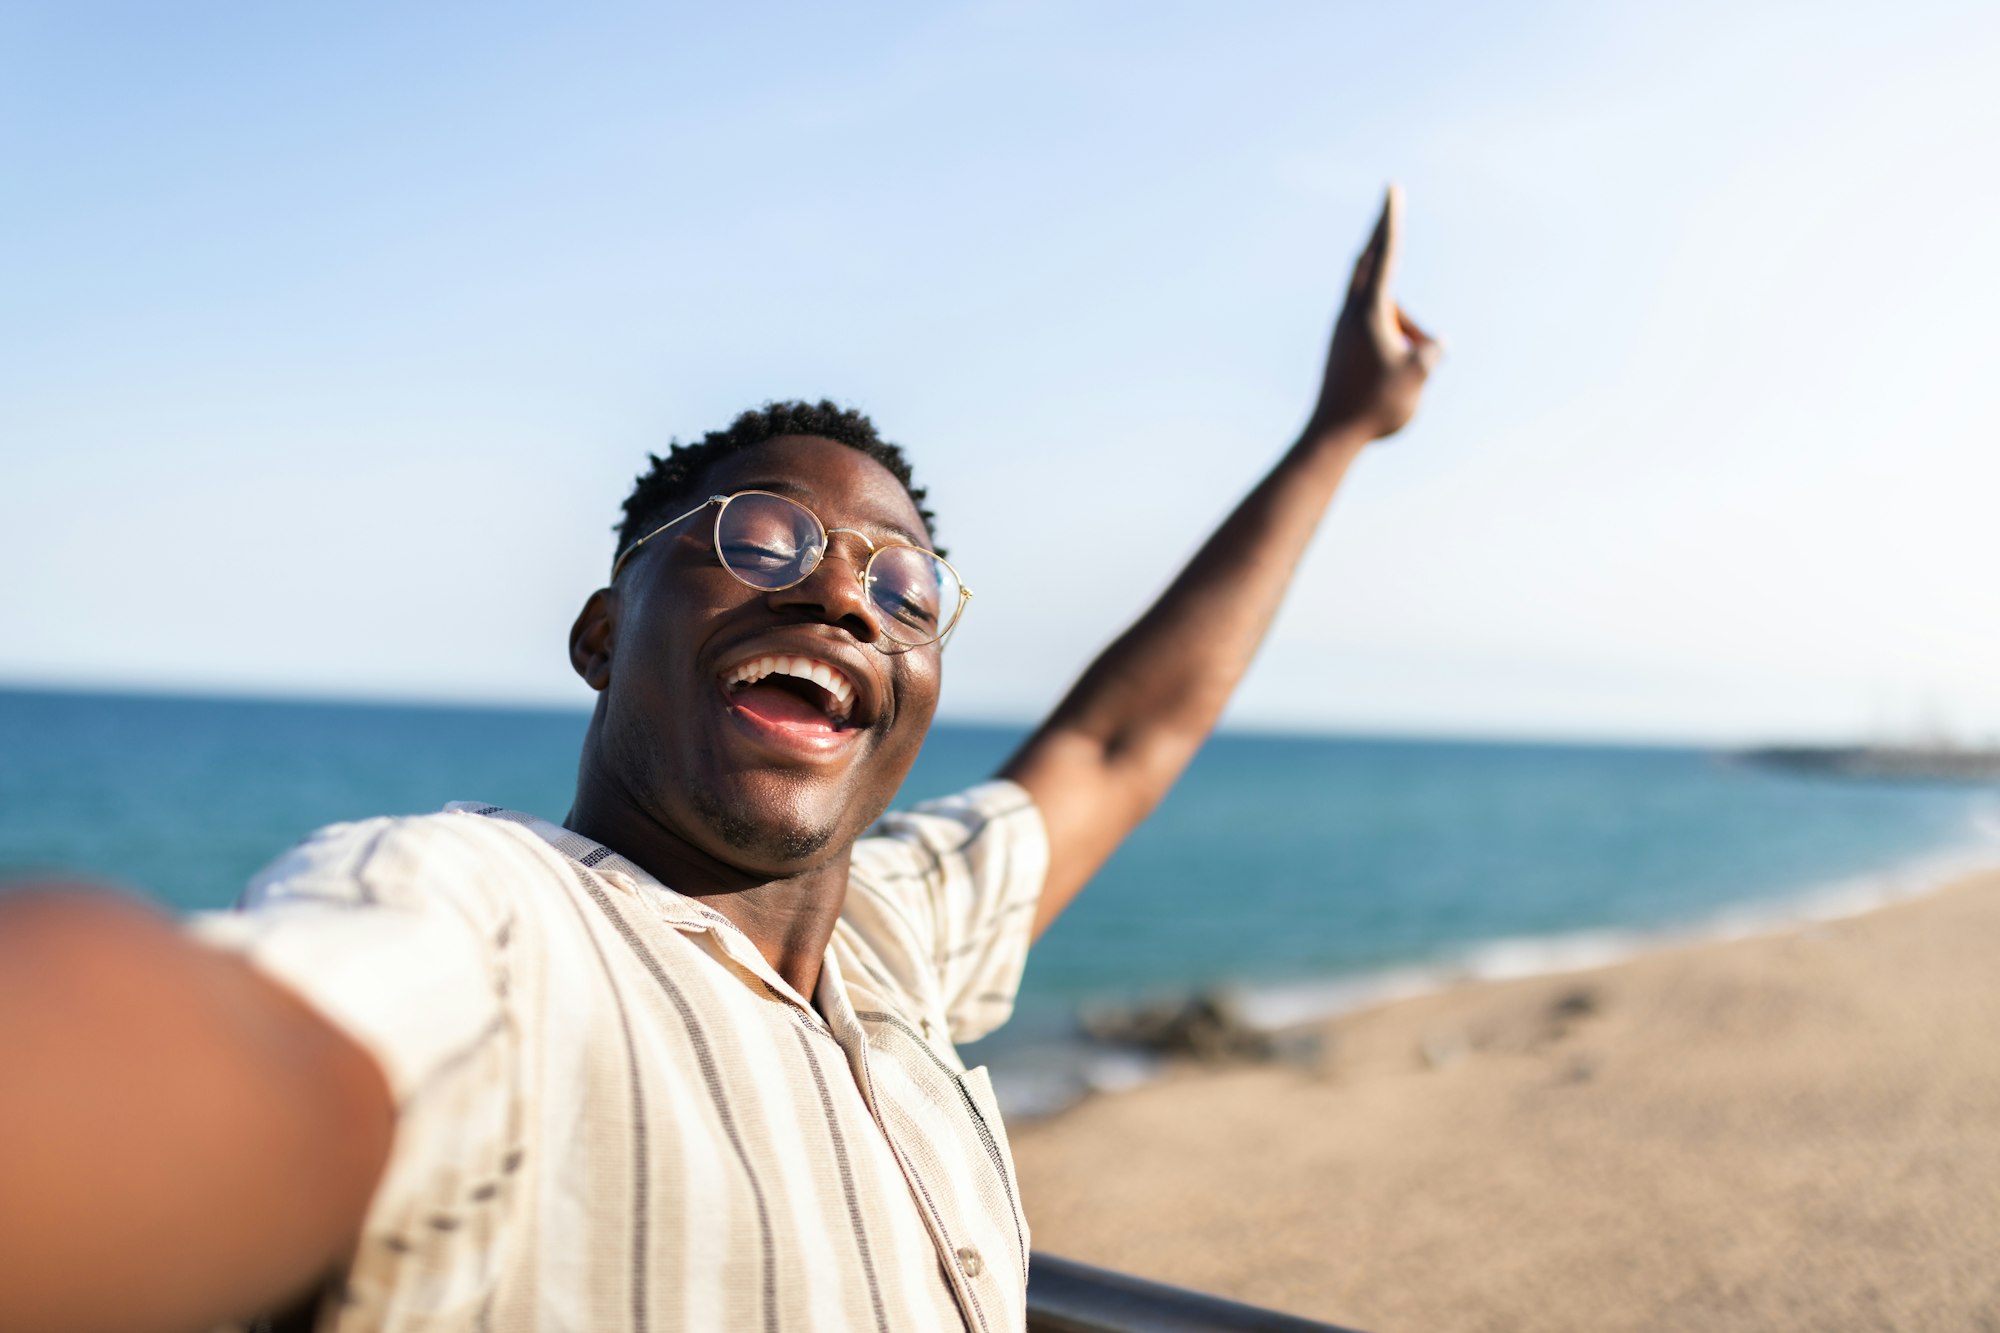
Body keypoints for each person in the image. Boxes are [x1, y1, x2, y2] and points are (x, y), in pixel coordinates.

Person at [0, 189, 1440, 1333]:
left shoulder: (894, 940)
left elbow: (1121, 740)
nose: (841, 597)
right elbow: (210, 1055)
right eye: (762, 539)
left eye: (906, 586)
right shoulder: (491, 919)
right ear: (601, 632)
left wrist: (1340, 430)